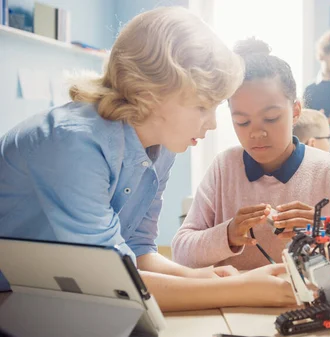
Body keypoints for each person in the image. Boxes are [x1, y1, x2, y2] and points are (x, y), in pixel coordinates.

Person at [0, 7, 296, 311]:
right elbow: (111, 283)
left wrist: (203, 278)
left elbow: (138, 252)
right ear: (153, 92)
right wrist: (238, 289)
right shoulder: (72, 143)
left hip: (42, 294)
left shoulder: (161, 145)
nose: (212, 124)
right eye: (202, 106)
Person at [171, 38, 330, 271]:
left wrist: (323, 232)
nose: (256, 133)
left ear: (295, 111)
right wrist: (228, 234)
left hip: (312, 303)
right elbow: (181, 252)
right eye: (242, 121)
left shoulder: (329, 170)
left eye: (271, 118)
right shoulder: (224, 168)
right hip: (235, 303)